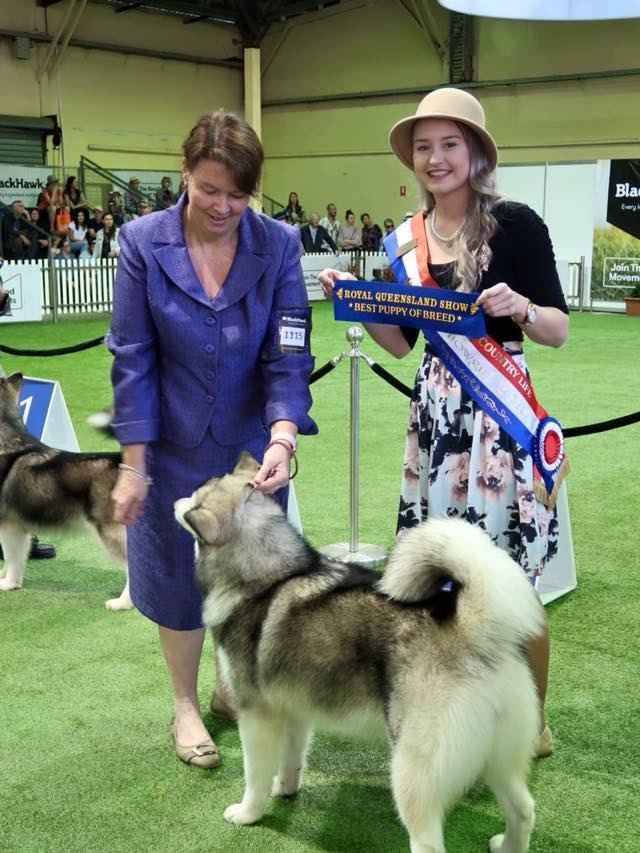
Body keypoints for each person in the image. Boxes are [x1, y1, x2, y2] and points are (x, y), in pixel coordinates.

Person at [319, 87, 570, 759]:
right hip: (435, 415)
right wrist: (354, 301)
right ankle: (454, 711)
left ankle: (532, 720)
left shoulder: (516, 224)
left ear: (476, 152)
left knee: (510, 577)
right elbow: (401, 343)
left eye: (449, 144)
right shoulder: (406, 239)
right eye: (424, 147)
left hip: (500, 419)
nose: (435, 158)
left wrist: (521, 306)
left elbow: (559, 328)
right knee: (440, 576)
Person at [108, 109, 316, 770]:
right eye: (209, 190)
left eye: (238, 193)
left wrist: (283, 436)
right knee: (175, 578)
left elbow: (289, 350)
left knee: (250, 581)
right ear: (185, 175)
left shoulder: (279, 244)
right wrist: (134, 465)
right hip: (169, 449)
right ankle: (186, 704)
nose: (223, 206)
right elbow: (133, 358)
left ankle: (232, 687)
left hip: (251, 454)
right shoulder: (141, 242)